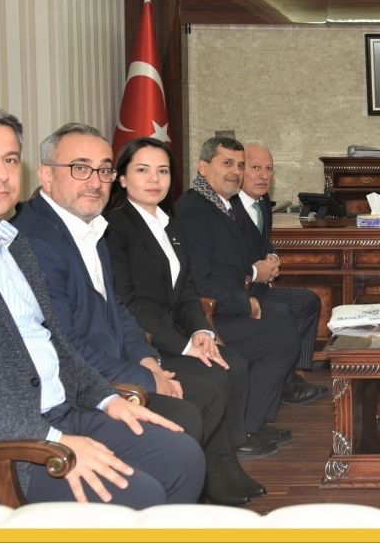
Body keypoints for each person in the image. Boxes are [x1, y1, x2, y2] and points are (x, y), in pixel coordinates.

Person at [0, 104, 202, 508]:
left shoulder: (15, 246)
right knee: (137, 492)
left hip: (54, 415)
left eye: (10, 160)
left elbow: (55, 342)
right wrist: (52, 441)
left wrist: (108, 399)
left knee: (181, 457)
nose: (0, 174)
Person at [12, 124, 251, 506]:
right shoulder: (36, 240)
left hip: (121, 361)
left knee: (212, 386)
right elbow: (63, 343)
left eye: (103, 170)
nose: (95, 181)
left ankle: (196, 495)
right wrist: (143, 376)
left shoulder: (89, 225)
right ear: (45, 174)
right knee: (194, 406)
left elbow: (118, 310)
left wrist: (147, 359)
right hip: (78, 388)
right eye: (80, 168)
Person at [104, 137, 288, 502]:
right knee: (218, 374)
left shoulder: (168, 224)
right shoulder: (114, 228)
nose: (154, 179)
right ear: (122, 178)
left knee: (231, 363)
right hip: (144, 340)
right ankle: (215, 471)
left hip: (180, 329)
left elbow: (186, 290)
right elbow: (129, 305)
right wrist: (185, 344)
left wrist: (202, 329)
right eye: (142, 170)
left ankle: (225, 463)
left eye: (162, 171)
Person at [171, 136, 315, 443]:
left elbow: (234, 265)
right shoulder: (194, 210)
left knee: (283, 322)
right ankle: (245, 431)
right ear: (203, 167)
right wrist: (245, 304)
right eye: (227, 164)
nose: (235, 172)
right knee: (280, 337)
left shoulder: (222, 205)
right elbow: (197, 281)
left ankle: (256, 420)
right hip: (206, 318)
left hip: (231, 302)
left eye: (239, 165)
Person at [238, 140, 327, 405]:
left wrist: (274, 258)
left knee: (308, 301)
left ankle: (292, 376)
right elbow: (227, 259)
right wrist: (256, 271)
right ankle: (284, 381)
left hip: (261, 287)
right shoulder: (229, 207)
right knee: (283, 313)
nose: (263, 175)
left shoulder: (263, 202)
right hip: (239, 291)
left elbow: (266, 243)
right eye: (255, 168)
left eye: (269, 169)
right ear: (240, 169)